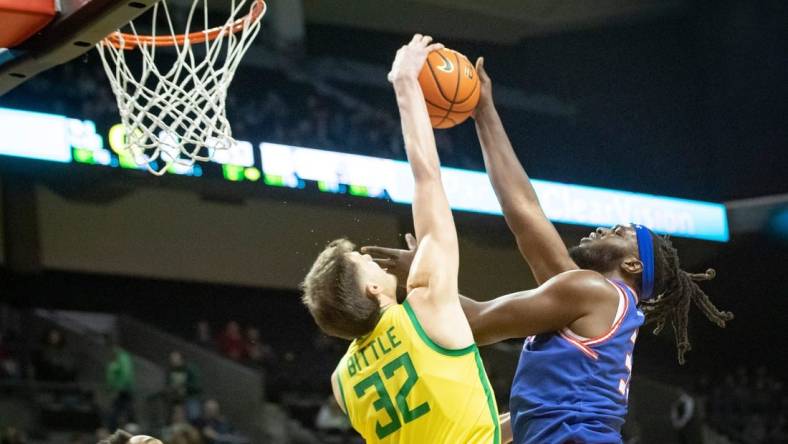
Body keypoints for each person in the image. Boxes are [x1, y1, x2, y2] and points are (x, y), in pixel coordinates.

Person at [363, 56, 734, 443]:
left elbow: (474, 324)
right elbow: (524, 212)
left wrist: (420, 277)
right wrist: (485, 113)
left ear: (633, 262)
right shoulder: (595, 299)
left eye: (619, 231)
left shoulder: (592, 293)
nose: (603, 228)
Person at [301, 34, 504, 443]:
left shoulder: (342, 384)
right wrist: (406, 84)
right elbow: (426, 178)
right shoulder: (427, 301)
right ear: (374, 287)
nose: (375, 261)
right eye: (368, 263)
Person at [106, 343, 136, 431]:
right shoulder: (115, 360)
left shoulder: (123, 357)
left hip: (122, 389)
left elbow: (126, 373)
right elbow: (110, 376)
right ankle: (116, 427)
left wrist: (119, 387)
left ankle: (129, 425)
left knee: (122, 408)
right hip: (119, 389)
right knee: (118, 408)